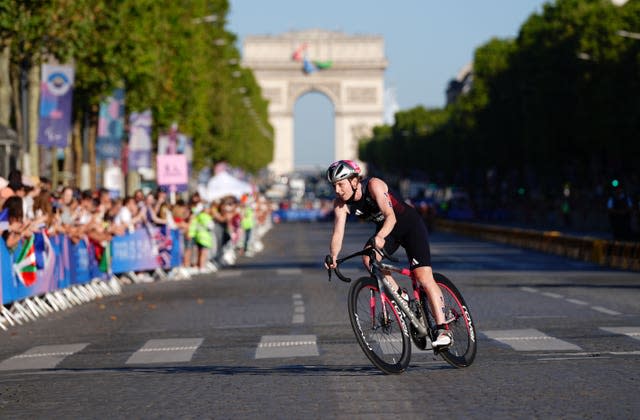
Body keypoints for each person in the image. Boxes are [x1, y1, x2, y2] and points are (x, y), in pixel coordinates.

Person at [323, 160, 452, 349]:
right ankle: (403, 298)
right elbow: (338, 232)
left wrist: (381, 236)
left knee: (422, 276)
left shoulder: (374, 185)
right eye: (333, 185)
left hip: (409, 226)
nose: (337, 190)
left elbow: (390, 216)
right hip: (387, 232)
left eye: (340, 184)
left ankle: (443, 330)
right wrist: (333, 256)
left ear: (354, 181)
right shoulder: (340, 203)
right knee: (368, 258)